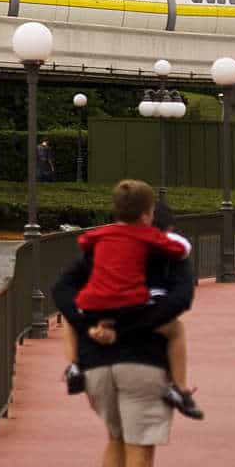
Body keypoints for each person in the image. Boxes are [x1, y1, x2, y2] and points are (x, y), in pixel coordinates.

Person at [51, 181, 196, 467]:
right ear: (153, 221)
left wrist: (88, 324)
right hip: (143, 365)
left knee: (115, 439)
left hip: (97, 364)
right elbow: (181, 301)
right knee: (141, 449)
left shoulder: (99, 247)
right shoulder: (167, 253)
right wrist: (132, 329)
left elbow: (61, 288)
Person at [59, 180, 201, 420]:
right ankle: (180, 388)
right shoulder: (149, 239)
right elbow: (180, 250)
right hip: (131, 307)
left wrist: (87, 325)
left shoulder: (103, 236)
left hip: (95, 305)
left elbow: (82, 246)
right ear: (147, 216)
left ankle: (74, 365)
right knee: (176, 330)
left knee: (71, 318)